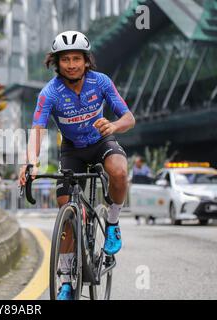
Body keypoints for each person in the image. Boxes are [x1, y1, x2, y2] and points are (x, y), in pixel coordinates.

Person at [18, 30, 135, 300]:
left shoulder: (101, 82)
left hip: (101, 140)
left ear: (86, 60)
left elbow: (129, 117)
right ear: (56, 63)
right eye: (65, 59)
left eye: (76, 58)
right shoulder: (49, 93)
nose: (71, 64)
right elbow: (37, 129)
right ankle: (67, 281)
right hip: (72, 149)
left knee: (118, 170)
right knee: (67, 212)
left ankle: (113, 222)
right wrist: (31, 162)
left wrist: (114, 125)